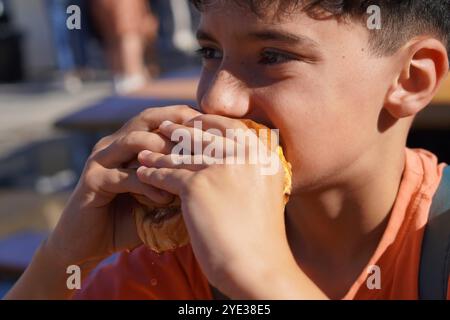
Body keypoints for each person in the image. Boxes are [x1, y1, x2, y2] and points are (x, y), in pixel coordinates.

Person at [4, 0, 450, 299]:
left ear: (411, 79)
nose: (217, 100)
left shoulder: (439, 245)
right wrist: (65, 257)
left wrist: (259, 274)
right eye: (210, 51)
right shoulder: (181, 251)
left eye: (272, 56)